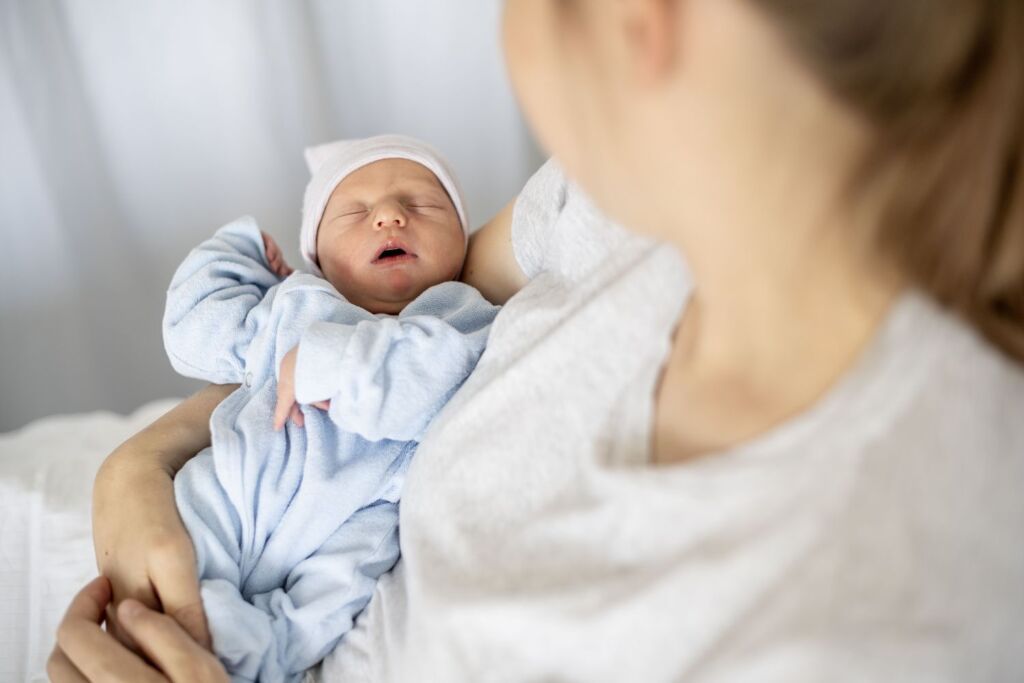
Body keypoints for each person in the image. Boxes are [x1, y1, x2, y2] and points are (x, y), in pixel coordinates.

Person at [50, 0, 1024, 681]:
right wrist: (146, 460)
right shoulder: (623, 200)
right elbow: (376, 321)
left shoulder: (870, 620)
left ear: (641, 25)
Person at [164, 134, 500, 681]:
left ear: (461, 242)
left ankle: (250, 660)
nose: (390, 216)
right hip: (231, 488)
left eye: (421, 205)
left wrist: (326, 359)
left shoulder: (459, 317)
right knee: (181, 586)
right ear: (316, 255)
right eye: (355, 211)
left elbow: (413, 384)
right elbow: (192, 335)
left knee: (318, 609)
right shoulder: (293, 304)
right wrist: (239, 254)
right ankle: (196, 639)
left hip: (355, 517)